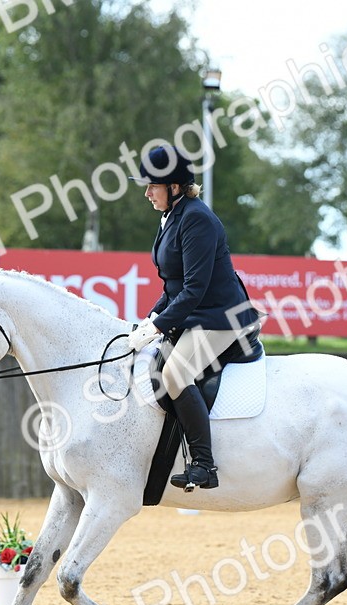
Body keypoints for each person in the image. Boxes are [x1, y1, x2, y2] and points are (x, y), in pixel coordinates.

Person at [127, 145, 259, 491]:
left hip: (221, 318)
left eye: (152, 186)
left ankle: (204, 464)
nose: (146, 193)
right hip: (196, 315)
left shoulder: (196, 217)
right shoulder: (172, 216)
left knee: (174, 372)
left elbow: (195, 288)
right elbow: (173, 285)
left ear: (174, 187)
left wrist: (158, 325)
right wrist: (151, 317)